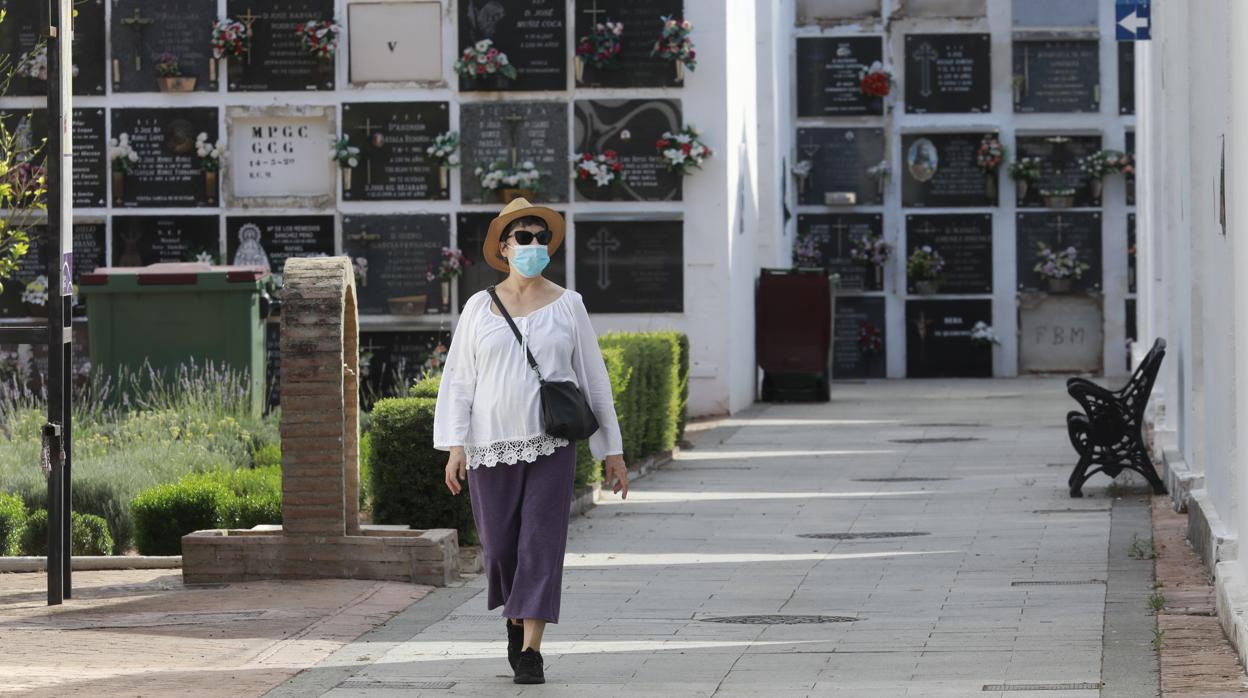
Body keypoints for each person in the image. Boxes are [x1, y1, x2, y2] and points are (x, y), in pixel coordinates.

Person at [433, 197, 628, 685]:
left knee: (541, 543)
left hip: (551, 445)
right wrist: (455, 446)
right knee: (500, 549)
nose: (535, 245)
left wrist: (613, 450)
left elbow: (594, 379)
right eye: (524, 237)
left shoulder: (569, 304)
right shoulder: (478, 307)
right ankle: (515, 617)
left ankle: (531, 651)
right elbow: (459, 380)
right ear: (504, 247)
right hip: (489, 446)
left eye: (542, 238)